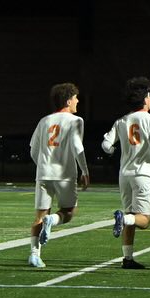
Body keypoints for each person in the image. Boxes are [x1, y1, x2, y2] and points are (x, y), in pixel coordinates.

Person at [105, 77, 150, 269]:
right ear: (144, 99)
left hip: (125, 174)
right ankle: (123, 220)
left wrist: (113, 151)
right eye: (149, 96)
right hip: (144, 174)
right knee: (144, 220)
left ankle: (127, 259)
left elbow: (106, 144)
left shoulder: (122, 121)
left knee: (131, 214)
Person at [28, 82, 90, 269]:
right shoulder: (76, 121)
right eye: (76, 98)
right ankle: (52, 220)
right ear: (69, 100)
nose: (78, 101)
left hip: (44, 174)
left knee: (39, 215)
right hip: (64, 175)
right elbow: (77, 147)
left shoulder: (44, 121)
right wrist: (85, 171)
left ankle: (34, 255)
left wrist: (43, 166)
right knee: (68, 212)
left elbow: (33, 150)